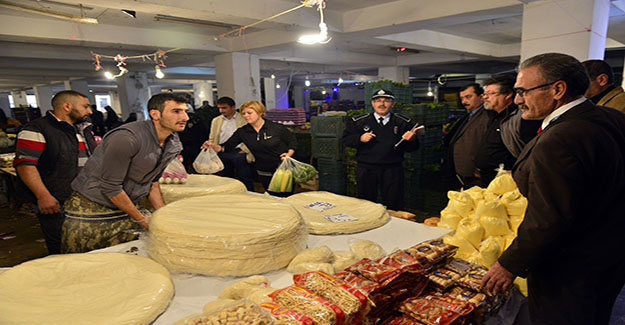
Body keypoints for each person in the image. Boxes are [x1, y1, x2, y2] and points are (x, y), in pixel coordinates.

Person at [481, 53, 625, 324]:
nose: (518, 100)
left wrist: (508, 264)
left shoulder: (561, 137)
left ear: (558, 89)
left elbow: (548, 219)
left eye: (523, 91)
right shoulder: (610, 116)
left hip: (570, 266)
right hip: (610, 254)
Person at [63, 93, 188, 253]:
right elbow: (110, 186)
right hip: (92, 210)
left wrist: (163, 215)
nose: (185, 117)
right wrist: (141, 219)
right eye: (176, 111)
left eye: (185, 111)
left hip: (125, 207)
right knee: (88, 263)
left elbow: (152, 181)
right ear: (155, 114)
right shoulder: (126, 138)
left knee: (126, 261)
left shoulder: (172, 142)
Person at [13, 90, 95, 254]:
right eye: (85, 106)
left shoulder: (82, 130)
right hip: (57, 199)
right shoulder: (37, 129)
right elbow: (25, 164)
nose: (90, 111)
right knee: (62, 245)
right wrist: (43, 196)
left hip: (84, 199)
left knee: (85, 244)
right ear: (67, 106)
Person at [343, 89, 419, 210]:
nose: (381, 104)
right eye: (378, 101)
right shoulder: (360, 121)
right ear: (372, 103)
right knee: (366, 204)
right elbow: (346, 140)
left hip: (392, 169)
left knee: (394, 203)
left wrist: (412, 139)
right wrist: (360, 138)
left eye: (386, 101)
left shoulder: (402, 122)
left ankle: (393, 227)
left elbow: (414, 148)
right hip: (366, 169)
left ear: (392, 104)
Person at [202, 100, 296, 196]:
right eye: (243, 113)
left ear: (260, 113)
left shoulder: (276, 128)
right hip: (263, 170)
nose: (246, 116)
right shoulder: (243, 132)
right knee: (273, 197)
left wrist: (289, 153)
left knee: (287, 197)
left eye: (249, 113)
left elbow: (292, 141)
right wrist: (212, 146)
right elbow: (226, 147)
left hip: (284, 169)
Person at [474, 75, 540, 186]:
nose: (485, 97)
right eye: (484, 94)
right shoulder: (495, 116)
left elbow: (530, 151)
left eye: (490, 94)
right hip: (489, 179)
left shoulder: (520, 118)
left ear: (508, 95)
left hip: (507, 182)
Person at [443, 83, 488, 189]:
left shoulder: (486, 117)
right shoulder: (469, 115)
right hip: (462, 173)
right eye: (462, 98)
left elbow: (485, 144)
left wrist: (479, 169)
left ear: (481, 97)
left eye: (468, 97)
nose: (464, 102)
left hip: (475, 174)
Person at [207, 97, 254, 191]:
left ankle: (249, 196)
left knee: (245, 178)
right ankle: (229, 197)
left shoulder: (243, 119)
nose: (221, 110)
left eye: (224, 108)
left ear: (233, 107)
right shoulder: (216, 120)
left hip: (239, 152)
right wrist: (212, 148)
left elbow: (251, 136)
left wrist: (245, 150)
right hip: (222, 151)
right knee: (226, 178)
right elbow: (212, 137)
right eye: (219, 108)